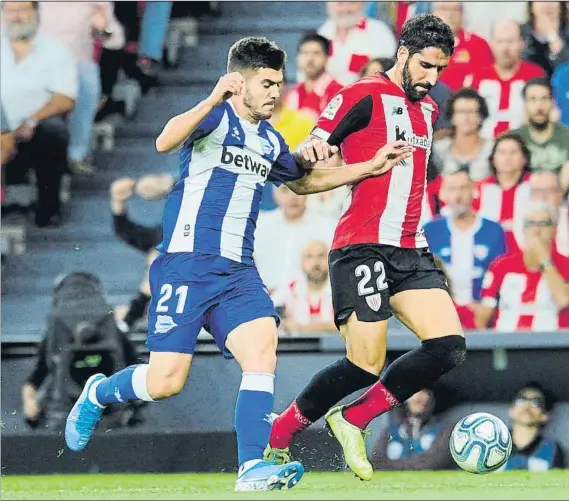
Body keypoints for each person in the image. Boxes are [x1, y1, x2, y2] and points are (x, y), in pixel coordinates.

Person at [64, 36, 414, 492]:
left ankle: (251, 467)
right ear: (239, 82)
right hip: (187, 266)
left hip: (237, 274)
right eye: (266, 83)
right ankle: (98, 392)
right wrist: (213, 95)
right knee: (166, 380)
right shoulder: (214, 117)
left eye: (279, 84)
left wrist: (367, 167)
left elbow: (304, 183)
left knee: (262, 349)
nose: (275, 92)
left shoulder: (269, 140)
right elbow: (164, 139)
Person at [265, 14, 467, 482]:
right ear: (402, 52)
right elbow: (299, 182)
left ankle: (352, 418)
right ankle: (280, 433)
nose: (431, 78)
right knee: (365, 363)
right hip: (362, 247)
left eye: (439, 69)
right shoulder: (360, 95)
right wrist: (350, 164)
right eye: (425, 65)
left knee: (448, 347)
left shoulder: (430, 110)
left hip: (411, 250)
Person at [1, 1, 78, 227]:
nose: (17, 16)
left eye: (23, 10)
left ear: (35, 13)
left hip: (35, 127)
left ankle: (48, 210)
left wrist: (32, 120)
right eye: (11, 10)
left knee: (53, 132)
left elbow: (65, 98)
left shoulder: (55, 50)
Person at [424, 170, 507, 330]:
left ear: (474, 191)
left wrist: (486, 304)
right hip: (441, 313)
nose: (458, 195)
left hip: (483, 313)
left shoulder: (493, 230)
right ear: (443, 194)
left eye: (463, 188)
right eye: (452, 189)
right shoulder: (430, 230)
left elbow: (500, 273)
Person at [476, 201, 569, 331]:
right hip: (506, 344)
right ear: (524, 230)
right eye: (531, 224)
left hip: (550, 346)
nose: (537, 230)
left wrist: (545, 261)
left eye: (543, 224)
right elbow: (482, 318)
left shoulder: (566, 265)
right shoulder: (501, 266)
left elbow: (563, 299)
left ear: (554, 229)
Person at [467, 19, 546, 139]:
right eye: (500, 41)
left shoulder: (535, 74)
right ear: (491, 44)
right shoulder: (478, 76)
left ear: (522, 43)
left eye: (511, 41)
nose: (505, 48)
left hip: (525, 145)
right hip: (484, 146)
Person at [472, 133, 532, 252]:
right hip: (488, 256)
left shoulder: (536, 185)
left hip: (527, 255)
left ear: (524, 158)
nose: (507, 157)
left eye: (513, 152)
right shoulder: (479, 189)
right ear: (493, 159)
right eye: (502, 152)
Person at [369, 389, 455, 471]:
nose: (417, 398)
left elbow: (432, 463)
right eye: (413, 392)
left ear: (431, 397)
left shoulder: (443, 430)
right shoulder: (390, 431)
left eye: (423, 392)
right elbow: (376, 462)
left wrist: (389, 465)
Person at [510, 78, 569, 190]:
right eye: (532, 99)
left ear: (552, 102)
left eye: (544, 99)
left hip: (562, 199)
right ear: (525, 103)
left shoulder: (567, 136)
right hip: (523, 198)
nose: (539, 106)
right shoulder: (513, 138)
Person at [318, 1, 397, 85]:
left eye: (351, 3)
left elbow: (390, 72)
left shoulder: (380, 32)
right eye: (340, 3)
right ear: (329, 6)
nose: (346, 9)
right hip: (330, 96)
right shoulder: (324, 31)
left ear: (362, 4)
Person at [274, 239, 336, 336]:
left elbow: (344, 327)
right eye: (309, 256)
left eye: (321, 256)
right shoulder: (289, 289)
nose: (315, 263)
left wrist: (301, 327)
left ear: (330, 259)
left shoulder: (340, 289)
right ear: (301, 262)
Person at [431, 2, 494, 91]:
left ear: (462, 14)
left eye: (455, 10)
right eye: (444, 9)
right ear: (433, 13)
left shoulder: (479, 45)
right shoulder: (420, 44)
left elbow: (486, 81)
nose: (450, 14)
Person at [503, 381, 566, 471]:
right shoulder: (493, 443)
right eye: (521, 400)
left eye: (536, 402)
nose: (527, 406)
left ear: (545, 415)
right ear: (511, 410)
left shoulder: (553, 449)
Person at [286, 32, 343, 119]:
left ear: (327, 58)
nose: (310, 59)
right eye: (305, 53)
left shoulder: (338, 92)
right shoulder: (293, 93)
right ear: (297, 58)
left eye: (316, 53)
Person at [529, 170, 568, 257]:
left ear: (559, 194)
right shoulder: (524, 223)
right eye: (537, 192)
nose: (543, 197)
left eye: (549, 191)